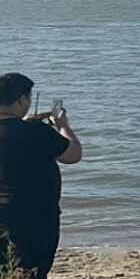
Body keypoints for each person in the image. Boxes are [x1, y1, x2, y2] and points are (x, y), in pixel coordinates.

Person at [0, 73, 82, 279]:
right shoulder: (37, 132)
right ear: (21, 100)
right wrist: (63, 126)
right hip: (34, 216)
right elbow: (73, 155)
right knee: (32, 270)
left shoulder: (30, 129)